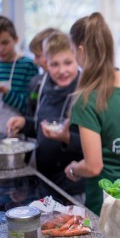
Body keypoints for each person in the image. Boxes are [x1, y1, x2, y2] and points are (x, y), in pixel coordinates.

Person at [64, 12, 120, 216]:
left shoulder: (87, 99)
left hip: (109, 198)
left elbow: (93, 166)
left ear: (80, 50)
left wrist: (74, 168)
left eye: (73, 50)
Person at [6, 32, 85, 201]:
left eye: (68, 63)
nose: (62, 70)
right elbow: (40, 128)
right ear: (45, 64)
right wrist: (24, 123)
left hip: (73, 183)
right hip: (45, 180)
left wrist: (66, 137)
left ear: (76, 60)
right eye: (54, 64)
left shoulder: (85, 89)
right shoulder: (40, 85)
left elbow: (95, 144)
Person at [0, 15, 38, 133]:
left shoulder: (28, 66)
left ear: (16, 39)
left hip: (17, 133)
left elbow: (30, 107)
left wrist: (6, 92)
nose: (0, 49)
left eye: (5, 43)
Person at [26, 27, 60, 117]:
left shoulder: (71, 85)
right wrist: (24, 123)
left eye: (38, 56)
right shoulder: (35, 83)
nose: (34, 61)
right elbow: (32, 116)